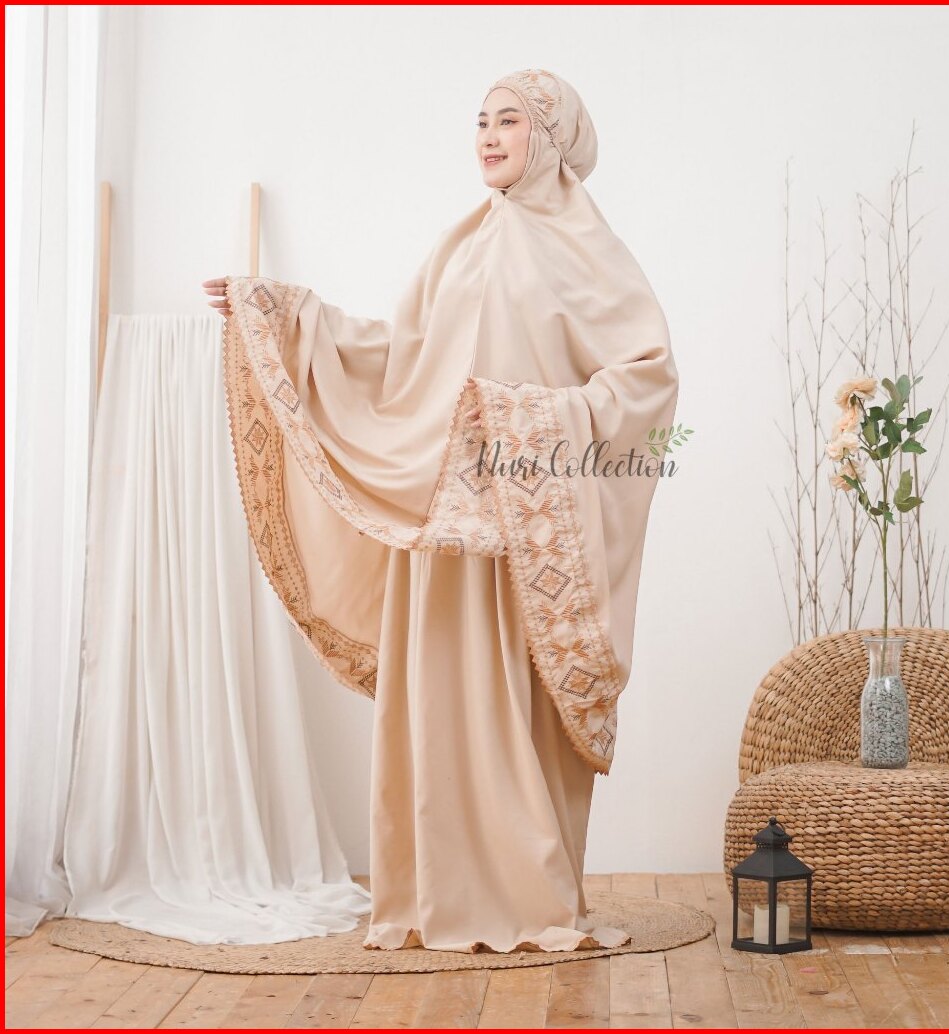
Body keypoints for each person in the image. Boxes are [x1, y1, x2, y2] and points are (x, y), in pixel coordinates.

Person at [201, 68, 679, 953]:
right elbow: (405, 360)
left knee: (513, 714)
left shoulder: (588, 250)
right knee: (441, 708)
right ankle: (435, 897)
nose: (489, 137)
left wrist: (531, 420)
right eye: (481, 122)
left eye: (510, 122)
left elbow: (647, 381)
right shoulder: (464, 242)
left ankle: (526, 895)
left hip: (527, 531)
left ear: (552, 136)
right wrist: (286, 316)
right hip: (445, 521)